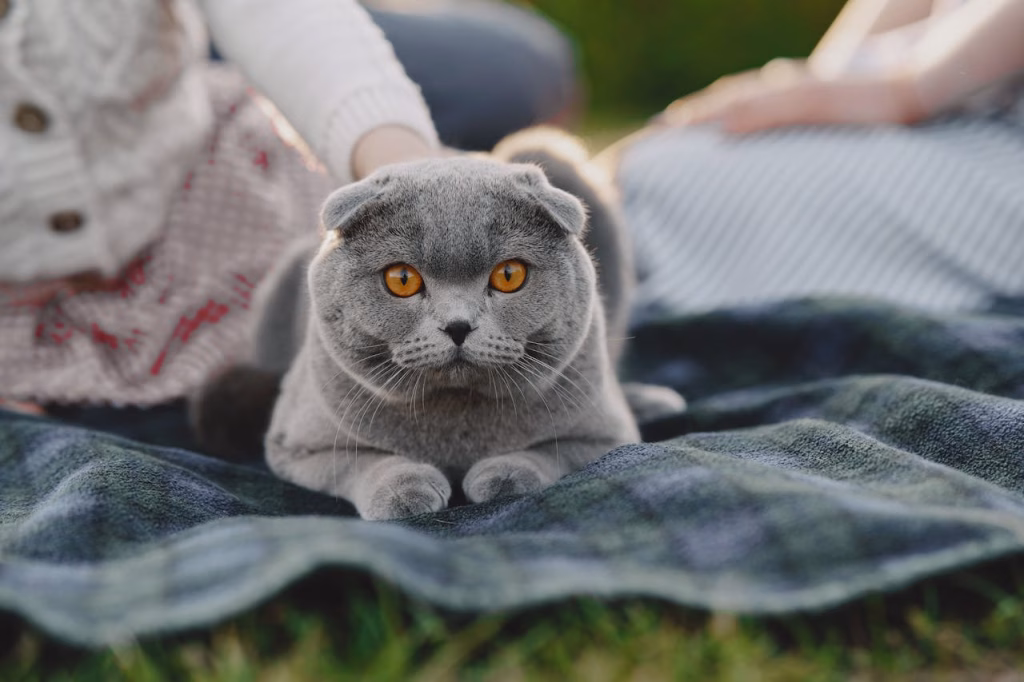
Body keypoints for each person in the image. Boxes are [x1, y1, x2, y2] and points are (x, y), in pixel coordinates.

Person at [0, 0, 576, 412]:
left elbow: (288, 17)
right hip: (19, 306)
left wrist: (409, 170)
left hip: (208, 196)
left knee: (522, 67)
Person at [605, 0, 1024, 323]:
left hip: (997, 152)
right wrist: (813, 81)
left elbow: (913, 90)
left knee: (664, 185)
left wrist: (904, 92)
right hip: (947, 111)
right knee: (657, 164)